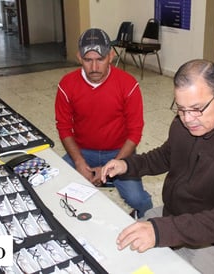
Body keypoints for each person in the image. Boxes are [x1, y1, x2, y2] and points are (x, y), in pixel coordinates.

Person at [101, 59, 214, 274]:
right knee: (119, 253)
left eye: (197, 109)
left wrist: (160, 231)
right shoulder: (184, 123)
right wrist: (127, 165)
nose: (188, 119)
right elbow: (165, 156)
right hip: (178, 215)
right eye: (181, 109)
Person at [55, 28, 152, 217]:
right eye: (88, 60)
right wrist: (79, 162)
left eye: (100, 59)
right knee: (56, 184)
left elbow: (135, 132)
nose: (94, 67)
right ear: (79, 57)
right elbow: (64, 127)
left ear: (111, 56)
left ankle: (149, 223)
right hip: (82, 151)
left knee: (138, 199)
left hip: (119, 151)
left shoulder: (128, 84)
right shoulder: (66, 84)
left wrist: (114, 164)